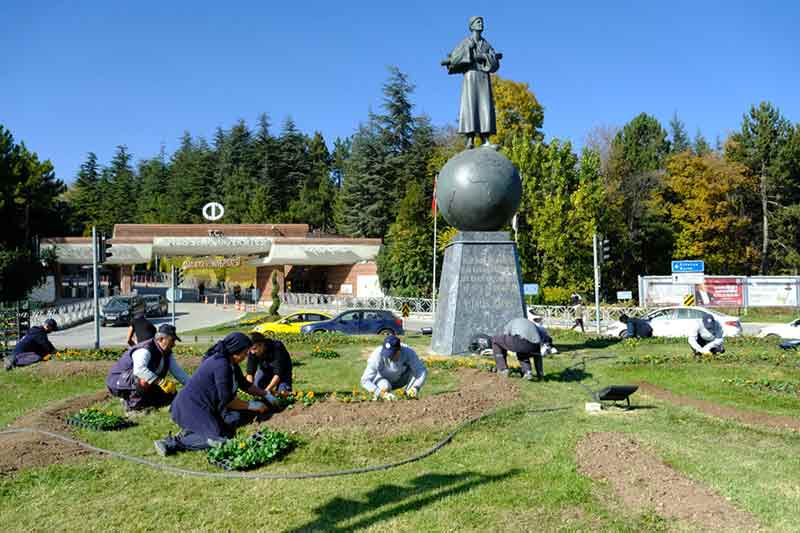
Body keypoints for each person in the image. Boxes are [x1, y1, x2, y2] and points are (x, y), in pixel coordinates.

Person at [153, 333, 272, 456]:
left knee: (233, 420)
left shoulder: (231, 363)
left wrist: (266, 394)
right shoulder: (221, 365)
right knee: (218, 439)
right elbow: (228, 401)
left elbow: (244, 384)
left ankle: (193, 430)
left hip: (206, 407)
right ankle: (172, 443)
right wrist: (252, 405)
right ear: (235, 350)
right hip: (189, 408)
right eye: (245, 352)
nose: (247, 355)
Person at [441, 16, 502, 149]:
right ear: (472, 26)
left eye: (482, 22)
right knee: (471, 106)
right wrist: (467, 49)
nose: (481, 24)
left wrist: (485, 57)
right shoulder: (465, 42)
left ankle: (485, 139)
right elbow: (455, 58)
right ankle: (470, 139)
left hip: (483, 77)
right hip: (471, 76)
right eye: (478, 22)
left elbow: (495, 61)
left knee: (485, 106)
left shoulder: (486, 44)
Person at [105, 324, 189, 413]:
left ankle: (140, 401)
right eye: (172, 340)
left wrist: (192, 385)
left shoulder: (167, 352)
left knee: (170, 396)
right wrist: (161, 382)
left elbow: (178, 372)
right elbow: (139, 370)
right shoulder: (145, 349)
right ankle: (133, 407)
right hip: (117, 382)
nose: (174, 344)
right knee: (144, 378)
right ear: (161, 339)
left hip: (134, 382)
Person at [361, 335, 427, 399]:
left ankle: (408, 396)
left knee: (415, 371)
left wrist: (416, 387)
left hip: (400, 379)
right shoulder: (377, 354)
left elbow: (421, 370)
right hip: (382, 380)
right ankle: (381, 400)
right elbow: (365, 380)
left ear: (399, 351)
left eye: (392, 354)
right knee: (385, 386)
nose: (389, 357)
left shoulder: (408, 351)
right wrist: (381, 394)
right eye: (386, 354)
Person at [492, 317, 544, 381]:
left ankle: (503, 369)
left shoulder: (510, 323)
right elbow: (542, 336)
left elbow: (506, 335)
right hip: (535, 345)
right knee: (522, 351)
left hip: (520, 341)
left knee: (495, 340)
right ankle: (528, 372)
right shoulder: (530, 323)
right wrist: (540, 374)